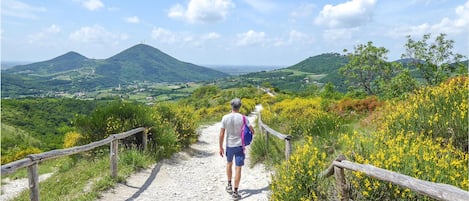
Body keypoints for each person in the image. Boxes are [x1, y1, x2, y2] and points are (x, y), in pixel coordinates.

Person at [219, 98, 254, 200]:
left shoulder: (225, 117)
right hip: (240, 146)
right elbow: (252, 130)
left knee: (229, 164)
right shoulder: (243, 118)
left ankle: (229, 184)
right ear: (240, 106)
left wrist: (220, 147)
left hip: (229, 145)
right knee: (238, 168)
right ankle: (235, 192)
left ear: (231, 106)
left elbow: (221, 134)